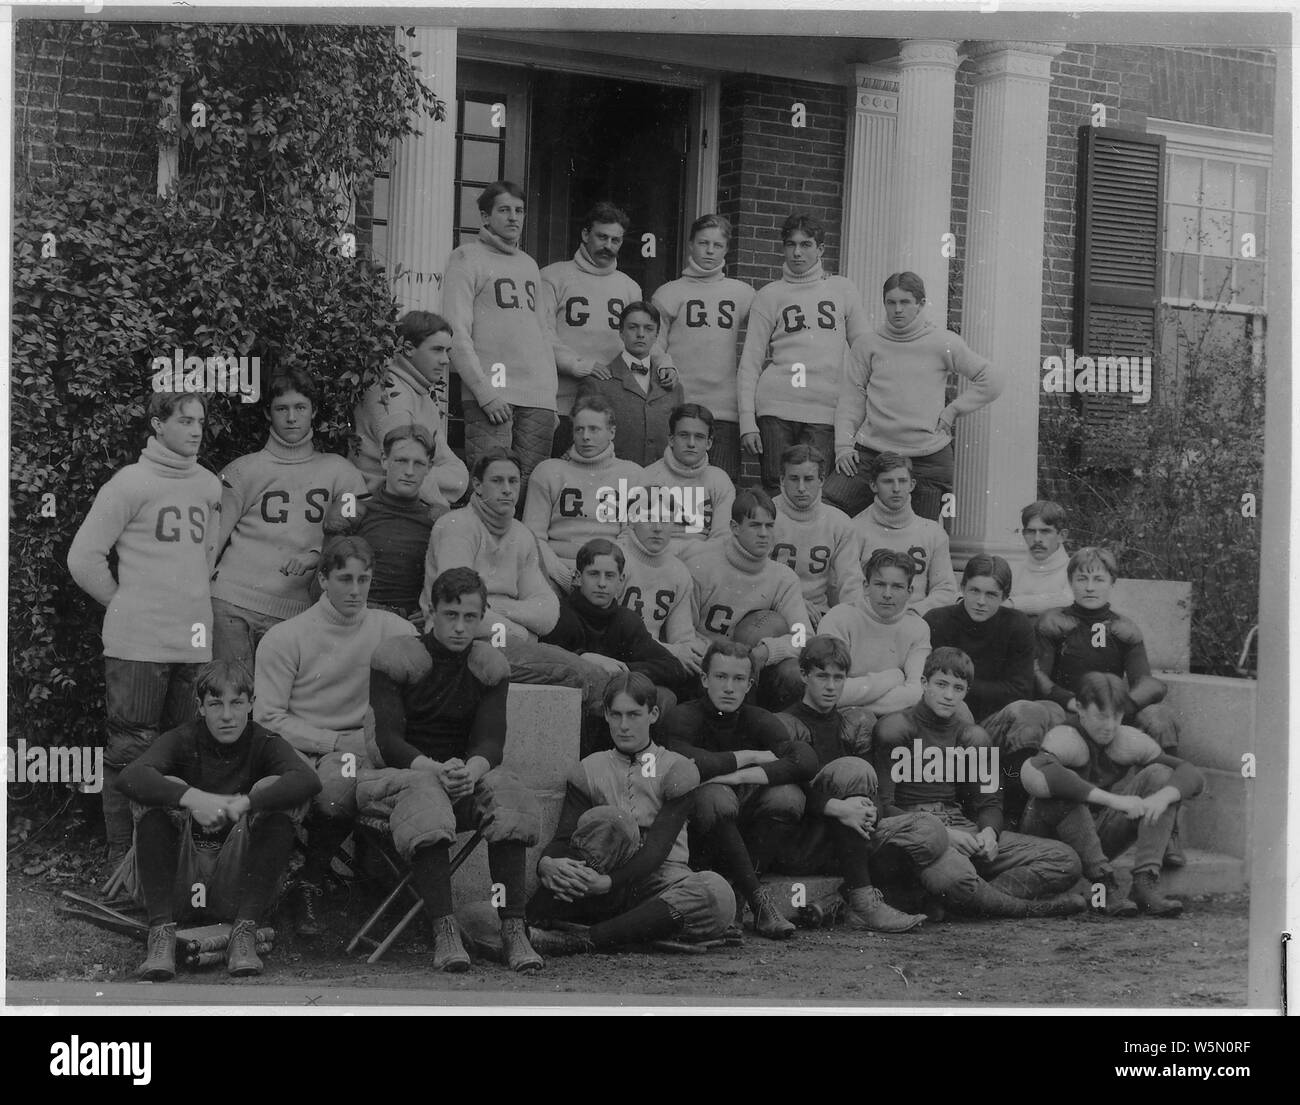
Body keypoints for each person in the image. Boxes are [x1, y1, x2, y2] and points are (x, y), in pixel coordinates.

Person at [359, 567, 544, 971]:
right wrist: (434, 768)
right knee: (427, 796)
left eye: (470, 618)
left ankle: (513, 928)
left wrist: (471, 771)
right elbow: (388, 741)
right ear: (430, 610)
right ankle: (443, 930)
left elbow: (492, 741)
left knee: (508, 795)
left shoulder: (488, 665)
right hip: (400, 780)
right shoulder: (397, 656)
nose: (460, 627)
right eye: (450, 615)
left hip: (460, 781)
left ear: (482, 618)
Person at [68, 391, 222, 858]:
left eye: (200, 421)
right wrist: (125, 605)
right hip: (137, 644)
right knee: (130, 750)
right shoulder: (129, 483)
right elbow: (82, 558)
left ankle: (167, 864)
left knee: (181, 751)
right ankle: (123, 859)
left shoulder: (209, 485)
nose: (195, 430)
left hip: (192, 641)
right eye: (184, 421)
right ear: (157, 425)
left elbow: (206, 558)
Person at [253, 536, 417, 936]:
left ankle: (313, 880)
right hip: (300, 742)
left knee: (342, 784)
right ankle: (270, 896)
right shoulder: (288, 636)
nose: (356, 590)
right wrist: (332, 742)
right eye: (345, 579)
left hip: (361, 745)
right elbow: (267, 717)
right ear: (323, 579)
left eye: (364, 579)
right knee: (301, 788)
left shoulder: (393, 629)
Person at [117, 660, 320, 980]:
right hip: (178, 885)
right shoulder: (182, 738)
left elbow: (308, 780)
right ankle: (160, 935)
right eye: (215, 704)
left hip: (238, 888)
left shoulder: (264, 740)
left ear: (251, 704)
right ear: (200, 707)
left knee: (275, 790)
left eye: (237, 703)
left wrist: (246, 802)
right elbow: (130, 777)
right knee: (158, 788)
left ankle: (245, 931)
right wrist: (194, 798)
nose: (227, 715)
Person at [983, 546, 1185, 863]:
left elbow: (1145, 680)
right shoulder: (1055, 622)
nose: (1090, 587)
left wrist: (1121, 707)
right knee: (1038, 713)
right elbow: (1038, 675)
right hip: (1067, 709)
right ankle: (1018, 814)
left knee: (1158, 717)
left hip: (1110, 710)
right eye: (1082, 579)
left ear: (1112, 582)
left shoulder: (1125, 628)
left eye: (1098, 579)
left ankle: (1166, 830)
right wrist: (1069, 701)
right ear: (1071, 582)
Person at [522, 673, 736, 957]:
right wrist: (546, 863)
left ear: (653, 714)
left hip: (658, 884)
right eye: (616, 715)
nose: (624, 726)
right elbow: (564, 838)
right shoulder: (589, 769)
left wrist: (608, 883)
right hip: (599, 882)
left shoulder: (677, 768)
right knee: (614, 821)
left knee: (716, 892)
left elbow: (657, 850)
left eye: (634, 714)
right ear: (607, 716)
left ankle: (587, 938)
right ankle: (542, 920)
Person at [873, 648, 1085, 920]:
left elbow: (989, 802)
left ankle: (970, 901)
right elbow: (885, 809)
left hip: (962, 829)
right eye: (941, 684)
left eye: (958, 688)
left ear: (966, 692)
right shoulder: (896, 728)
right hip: (917, 833)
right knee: (956, 878)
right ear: (924, 684)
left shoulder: (972, 736)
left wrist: (988, 834)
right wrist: (942, 834)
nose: (949, 695)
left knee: (1065, 860)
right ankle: (1028, 909)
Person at [657, 642, 819, 940]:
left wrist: (736, 776)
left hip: (746, 834)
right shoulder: (683, 716)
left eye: (739, 679)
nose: (729, 688)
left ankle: (745, 896)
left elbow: (805, 760)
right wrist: (751, 756)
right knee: (714, 795)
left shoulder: (757, 718)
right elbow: (690, 760)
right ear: (705, 679)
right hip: (698, 834)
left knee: (788, 797)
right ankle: (760, 901)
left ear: (749, 684)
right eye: (720, 677)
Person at [423, 449, 604, 712]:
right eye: (497, 481)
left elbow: (547, 612)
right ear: (477, 485)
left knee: (598, 676)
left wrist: (497, 609)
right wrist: (520, 629)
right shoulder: (457, 526)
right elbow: (458, 609)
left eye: (514, 481)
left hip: (504, 638)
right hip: (463, 643)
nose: (507, 489)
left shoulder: (521, 534)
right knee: (586, 676)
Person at [211, 370, 369, 668]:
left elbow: (354, 538)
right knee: (232, 697)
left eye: (300, 408)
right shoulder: (242, 471)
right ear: (268, 414)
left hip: (296, 612)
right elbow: (211, 542)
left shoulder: (342, 473)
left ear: (314, 412)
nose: (292, 418)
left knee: (279, 705)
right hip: (231, 603)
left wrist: (317, 556)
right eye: (282, 409)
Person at [771, 637, 928, 932]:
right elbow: (787, 788)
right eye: (822, 676)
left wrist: (872, 812)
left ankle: (836, 903)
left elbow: (872, 789)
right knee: (852, 769)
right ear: (804, 675)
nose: (830, 686)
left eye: (838, 678)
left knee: (928, 832)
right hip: (805, 838)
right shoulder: (785, 722)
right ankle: (864, 905)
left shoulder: (850, 723)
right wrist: (839, 808)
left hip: (848, 837)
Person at [1019, 672, 1205, 917]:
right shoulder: (1064, 736)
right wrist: (1114, 800)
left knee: (1161, 775)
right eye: (1101, 715)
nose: (1110, 726)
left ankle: (1144, 883)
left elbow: (1191, 774)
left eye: (1116, 715)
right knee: (1067, 787)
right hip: (1048, 840)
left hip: (1092, 837)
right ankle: (1103, 884)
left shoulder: (1126, 739)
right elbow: (1033, 773)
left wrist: (1164, 796)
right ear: (1080, 708)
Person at [827, 271, 1003, 521]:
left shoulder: (942, 342)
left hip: (927, 458)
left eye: (905, 302)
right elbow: (851, 398)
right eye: (891, 302)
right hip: (872, 452)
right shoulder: (867, 344)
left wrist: (953, 411)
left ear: (920, 305)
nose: (897, 309)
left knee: (925, 536)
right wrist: (844, 447)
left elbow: (992, 378)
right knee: (828, 509)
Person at [442, 180, 559, 508]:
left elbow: (541, 334)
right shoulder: (466, 258)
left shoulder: (528, 265)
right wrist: (484, 392)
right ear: (485, 215)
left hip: (536, 398)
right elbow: (456, 333)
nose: (513, 218)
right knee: (491, 490)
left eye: (519, 211)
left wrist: (549, 396)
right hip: (493, 396)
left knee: (530, 495)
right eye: (504, 210)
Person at [737, 213, 869, 494]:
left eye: (806, 244)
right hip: (775, 408)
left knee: (812, 492)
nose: (797, 252)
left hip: (825, 410)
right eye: (790, 244)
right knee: (776, 489)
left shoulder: (842, 289)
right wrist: (748, 421)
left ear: (820, 249)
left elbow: (865, 352)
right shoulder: (770, 294)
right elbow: (750, 362)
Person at [540, 202, 667, 456]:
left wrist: (665, 362)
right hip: (561, 403)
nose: (608, 246)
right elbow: (542, 334)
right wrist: (578, 364)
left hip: (614, 405)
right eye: (602, 237)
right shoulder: (553, 277)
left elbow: (643, 337)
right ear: (586, 235)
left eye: (615, 240)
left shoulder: (629, 286)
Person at [540, 539, 687, 744]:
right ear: (577, 577)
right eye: (593, 574)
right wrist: (583, 658)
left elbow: (673, 668)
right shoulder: (560, 615)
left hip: (620, 708)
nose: (602, 583)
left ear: (621, 580)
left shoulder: (626, 620)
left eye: (610, 576)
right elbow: (543, 661)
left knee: (663, 697)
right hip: (578, 710)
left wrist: (623, 670)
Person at [651, 214, 756, 482]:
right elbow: (654, 343)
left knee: (720, 488)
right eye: (703, 243)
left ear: (726, 249)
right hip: (680, 405)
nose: (709, 251)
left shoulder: (742, 293)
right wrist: (664, 363)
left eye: (717, 245)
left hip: (725, 410)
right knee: (675, 488)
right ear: (690, 244)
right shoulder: (669, 292)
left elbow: (771, 323)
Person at [690, 488, 809, 710]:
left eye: (769, 525)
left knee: (793, 673)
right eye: (755, 525)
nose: (764, 533)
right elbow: (683, 631)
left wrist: (767, 651)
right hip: (707, 663)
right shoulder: (702, 567)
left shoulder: (782, 577)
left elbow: (803, 636)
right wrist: (719, 658)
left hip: (755, 666)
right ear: (735, 528)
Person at [348, 311, 469, 512]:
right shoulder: (392, 395)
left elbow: (449, 462)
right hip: (381, 506)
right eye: (437, 350)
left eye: (447, 351)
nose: (446, 360)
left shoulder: (417, 392)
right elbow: (403, 469)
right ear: (408, 348)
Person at [523, 394, 644, 591]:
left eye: (594, 429)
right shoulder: (549, 471)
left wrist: (599, 576)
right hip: (554, 572)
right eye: (579, 429)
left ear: (611, 432)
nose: (585, 436)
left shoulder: (632, 474)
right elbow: (533, 537)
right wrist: (564, 578)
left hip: (609, 576)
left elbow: (630, 536)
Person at [324, 424, 440, 621]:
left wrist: (436, 607)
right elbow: (326, 578)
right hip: (358, 618)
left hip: (411, 623)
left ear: (429, 466)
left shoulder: (436, 517)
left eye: (418, 463)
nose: (409, 471)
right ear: (385, 461)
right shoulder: (354, 508)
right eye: (401, 461)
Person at [923, 554, 1035, 723]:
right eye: (974, 591)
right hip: (944, 716)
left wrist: (958, 686)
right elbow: (925, 682)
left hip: (994, 717)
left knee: (1035, 711)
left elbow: (1021, 690)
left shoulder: (1017, 625)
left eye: (991, 594)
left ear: (1004, 597)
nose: (981, 601)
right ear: (962, 587)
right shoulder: (937, 620)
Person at [818, 548, 930, 713]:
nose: (887, 594)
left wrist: (858, 701)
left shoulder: (918, 627)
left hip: (894, 714)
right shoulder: (840, 617)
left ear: (910, 592)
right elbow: (828, 689)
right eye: (880, 584)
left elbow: (917, 692)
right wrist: (894, 677)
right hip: (839, 714)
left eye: (897, 587)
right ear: (866, 586)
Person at [575, 301, 684, 466]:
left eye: (648, 329)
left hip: (660, 481)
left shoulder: (671, 385)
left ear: (656, 335)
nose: (640, 334)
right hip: (613, 481)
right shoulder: (597, 383)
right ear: (621, 332)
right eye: (633, 327)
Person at [851, 452, 957, 615]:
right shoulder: (855, 529)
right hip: (868, 618)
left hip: (916, 618)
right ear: (873, 485)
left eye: (902, 481)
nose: (896, 489)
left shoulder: (932, 532)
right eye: (887, 482)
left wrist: (916, 611)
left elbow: (946, 589)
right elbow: (846, 587)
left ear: (912, 484)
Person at [771, 443, 864, 629]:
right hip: (772, 607)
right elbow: (756, 574)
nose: (801, 487)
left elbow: (850, 582)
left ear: (821, 480)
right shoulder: (766, 514)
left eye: (809, 479)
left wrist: (853, 622)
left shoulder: (839, 522)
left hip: (817, 611)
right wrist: (793, 602)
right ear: (782, 479)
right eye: (794, 478)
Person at [638, 403, 735, 567]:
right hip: (657, 564)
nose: (691, 443)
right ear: (671, 439)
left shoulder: (719, 480)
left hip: (705, 564)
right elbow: (642, 537)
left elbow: (722, 539)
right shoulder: (648, 477)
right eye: (684, 435)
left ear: (709, 443)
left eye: (699, 437)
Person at [616, 504, 705, 676]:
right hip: (616, 654)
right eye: (649, 518)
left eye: (665, 520)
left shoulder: (678, 571)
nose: (657, 528)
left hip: (654, 658)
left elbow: (682, 637)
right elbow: (609, 632)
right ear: (631, 521)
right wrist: (672, 651)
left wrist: (689, 653)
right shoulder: (616, 559)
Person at [1005, 500, 1074, 617]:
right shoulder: (1013, 571)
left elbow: (1068, 600)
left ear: (1062, 536)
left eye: (1045, 531)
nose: (1037, 539)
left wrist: (1013, 603)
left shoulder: (1074, 569)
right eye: (1031, 532)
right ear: (1023, 534)